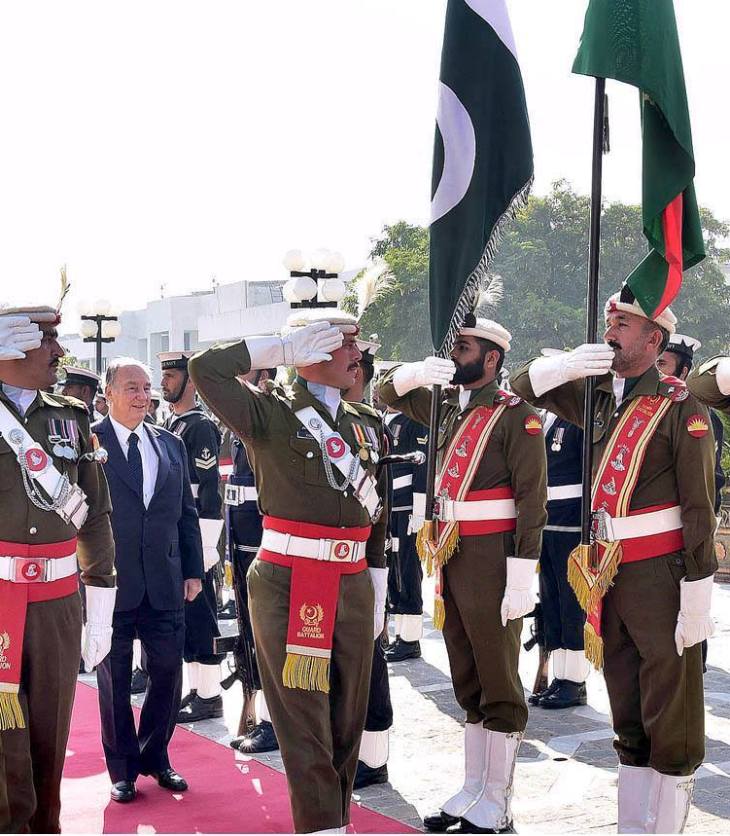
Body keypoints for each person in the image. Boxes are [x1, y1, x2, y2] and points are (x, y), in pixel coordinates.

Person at [511, 287, 717, 834]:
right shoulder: (598, 397)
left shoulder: (680, 407)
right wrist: (567, 363)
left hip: (661, 571)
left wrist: (698, 589)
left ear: (654, 339)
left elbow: (700, 507)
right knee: (624, 698)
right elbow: (520, 385)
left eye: (624, 324)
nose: (611, 329)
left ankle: (667, 822)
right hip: (609, 570)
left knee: (669, 704)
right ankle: (634, 823)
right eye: (611, 321)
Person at [189, 310, 389, 834]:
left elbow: (378, 512)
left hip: (352, 583)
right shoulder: (270, 415)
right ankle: (322, 827)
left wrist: (379, 582)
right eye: (346, 345)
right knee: (305, 727)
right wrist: (279, 349)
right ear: (315, 353)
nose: (358, 356)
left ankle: (334, 820)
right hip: (291, 583)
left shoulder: (364, 423)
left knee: (347, 721)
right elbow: (204, 369)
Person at [379, 314, 547, 835]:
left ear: (492, 358)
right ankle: (473, 787)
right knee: (466, 671)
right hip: (452, 554)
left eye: (464, 346)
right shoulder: (445, 407)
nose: (454, 353)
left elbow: (531, 499)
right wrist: (411, 374)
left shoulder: (516, 416)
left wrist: (522, 574)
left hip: (494, 557)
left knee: (497, 674)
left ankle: (498, 799)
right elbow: (386, 394)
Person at [0, 304, 116, 833]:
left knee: (51, 733)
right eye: (45, 339)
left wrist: (101, 603)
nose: (59, 352)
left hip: (56, 604)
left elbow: (95, 515)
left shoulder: (72, 417)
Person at [94, 357, 204, 804]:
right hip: (109, 582)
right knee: (114, 678)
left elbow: (186, 513)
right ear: (109, 394)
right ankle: (122, 770)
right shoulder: (88, 442)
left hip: (166, 579)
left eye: (146, 388)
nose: (143, 396)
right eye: (132, 388)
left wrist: (195, 570)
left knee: (167, 673)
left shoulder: (170, 444)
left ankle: (155, 756)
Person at [159, 351, 226, 724]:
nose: (165, 381)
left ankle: (209, 694)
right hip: (179, 533)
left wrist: (204, 548)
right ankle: (198, 689)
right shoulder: (172, 424)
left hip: (198, 533)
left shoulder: (199, 427)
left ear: (190, 381)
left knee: (202, 616)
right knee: (187, 613)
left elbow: (209, 491)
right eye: (164, 374)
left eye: (172, 375)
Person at [343, 336, 394, 790]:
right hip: (329, 563)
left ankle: (374, 755)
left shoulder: (372, 428)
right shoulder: (327, 423)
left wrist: (377, 575)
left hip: (364, 560)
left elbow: (382, 508)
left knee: (371, 661)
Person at [225, 366, 279, 754]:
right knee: (248, 630)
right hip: (240, 539)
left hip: (263, 538)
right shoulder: (238, 419)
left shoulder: (267, 415)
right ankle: (254, 711)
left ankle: (275, 720)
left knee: (268, 632)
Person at [529, 413, 591, 709]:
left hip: (571, 525)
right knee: (551, 604)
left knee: (571, 605)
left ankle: (575, 681)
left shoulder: (577, 418)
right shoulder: (545, 417)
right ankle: (560, 677)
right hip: (548, 524)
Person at [658, 335, 725, 512]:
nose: (654, 371)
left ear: (684, 371)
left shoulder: (703, 416)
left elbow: (708, 478)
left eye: (661, 364)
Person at [382, 406, 428, 663]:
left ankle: (410, 639)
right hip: (389, 507)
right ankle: (399, 633)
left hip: (407, 508)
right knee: (393, 572)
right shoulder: (383, 419)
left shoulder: (414, 419)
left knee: (408, 570)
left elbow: (422, 466)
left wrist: (419, 510)